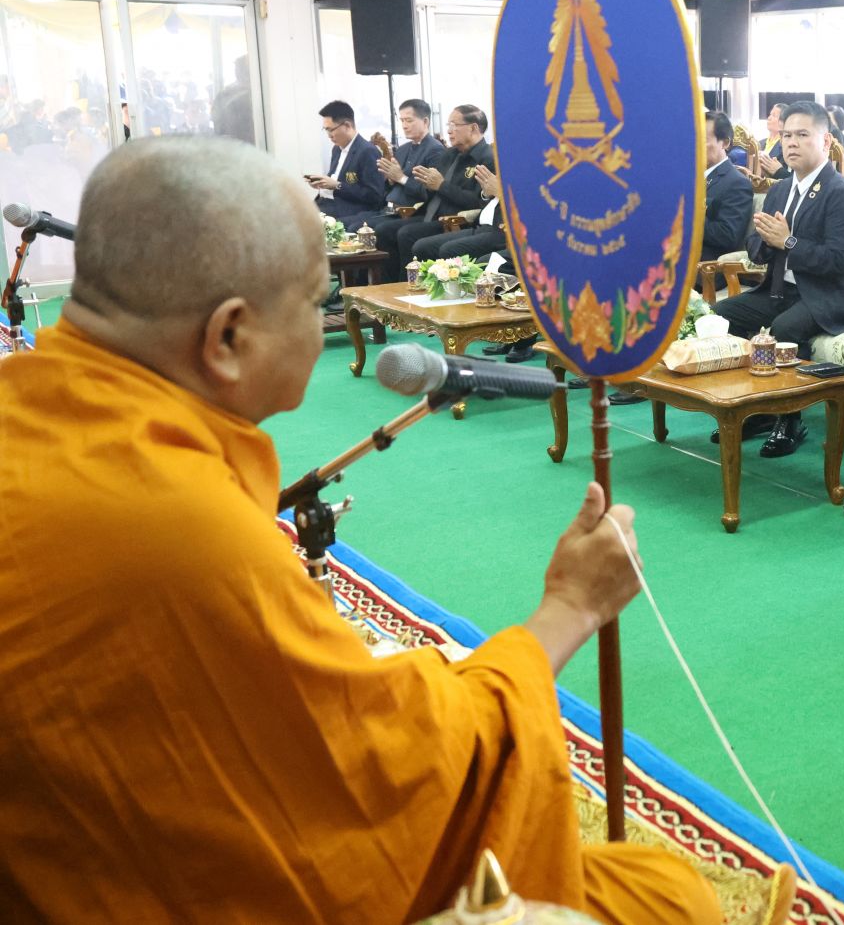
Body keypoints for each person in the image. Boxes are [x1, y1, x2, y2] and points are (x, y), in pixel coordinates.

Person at [0, 136, 720, 924]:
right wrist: (571, 607)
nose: (325, 325)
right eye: (317, 302)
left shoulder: (26, 403)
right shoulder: (177, 527)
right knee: (669, 894)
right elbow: (401, 777)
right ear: (230, 337)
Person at [711, 101, 844, 457]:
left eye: (802, 135)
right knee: (722, 316)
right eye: (786, 136)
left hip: (831, 296)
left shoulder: (841, 192)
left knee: (784, 329)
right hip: (780, 290)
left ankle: (790, 419)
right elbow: (756, 245)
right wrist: (767, 242)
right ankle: (757, 407)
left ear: (825, 140)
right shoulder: (781, 189)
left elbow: (843, 262)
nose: (791, 143)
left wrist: (788, 242)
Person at [376, 104, 495, 280]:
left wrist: (441, 185)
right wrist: (408, 180)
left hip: (456, 220)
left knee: (407, 234)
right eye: (448, 125)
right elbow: (428, 193)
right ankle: (389, 284)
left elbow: (478, 202)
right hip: (431, 215)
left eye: (454, 125)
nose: (449, 131)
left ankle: (409, 285)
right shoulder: (449, 154)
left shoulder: (487, 159)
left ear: (473, 128)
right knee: (384, 230)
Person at [306, 99, 386, 230]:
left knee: (307, 224)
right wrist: (322, 184)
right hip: (328, 203)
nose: (329, 136)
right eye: (325, 130)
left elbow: (374, 196)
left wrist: (337, 185)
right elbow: (333, 182)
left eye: (331, 130)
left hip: (352, 208)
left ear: (347, 126)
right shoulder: (336, 149)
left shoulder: (367, 151)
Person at [699, 110, 755, 264]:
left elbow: (728, 235)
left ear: (725, 143)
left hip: (705, 265)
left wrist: (690, 218)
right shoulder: (690, 177)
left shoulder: (736, 183)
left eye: (702, 140)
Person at [376, 97, 447, 210]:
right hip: (388, 208)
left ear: (425, 122)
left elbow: (428, 193)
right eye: (402, 121)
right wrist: (391, 180)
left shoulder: (435, 150)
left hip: (411, 213)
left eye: (409, 121)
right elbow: (390, 187)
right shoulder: (402, 149)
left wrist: (401, 177)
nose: (404, 126)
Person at [754, 101, 790, 181]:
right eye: (770, 114)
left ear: (784, 121)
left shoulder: (786, 145)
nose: (769, 118)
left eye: (774, 115)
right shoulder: (759, 143)